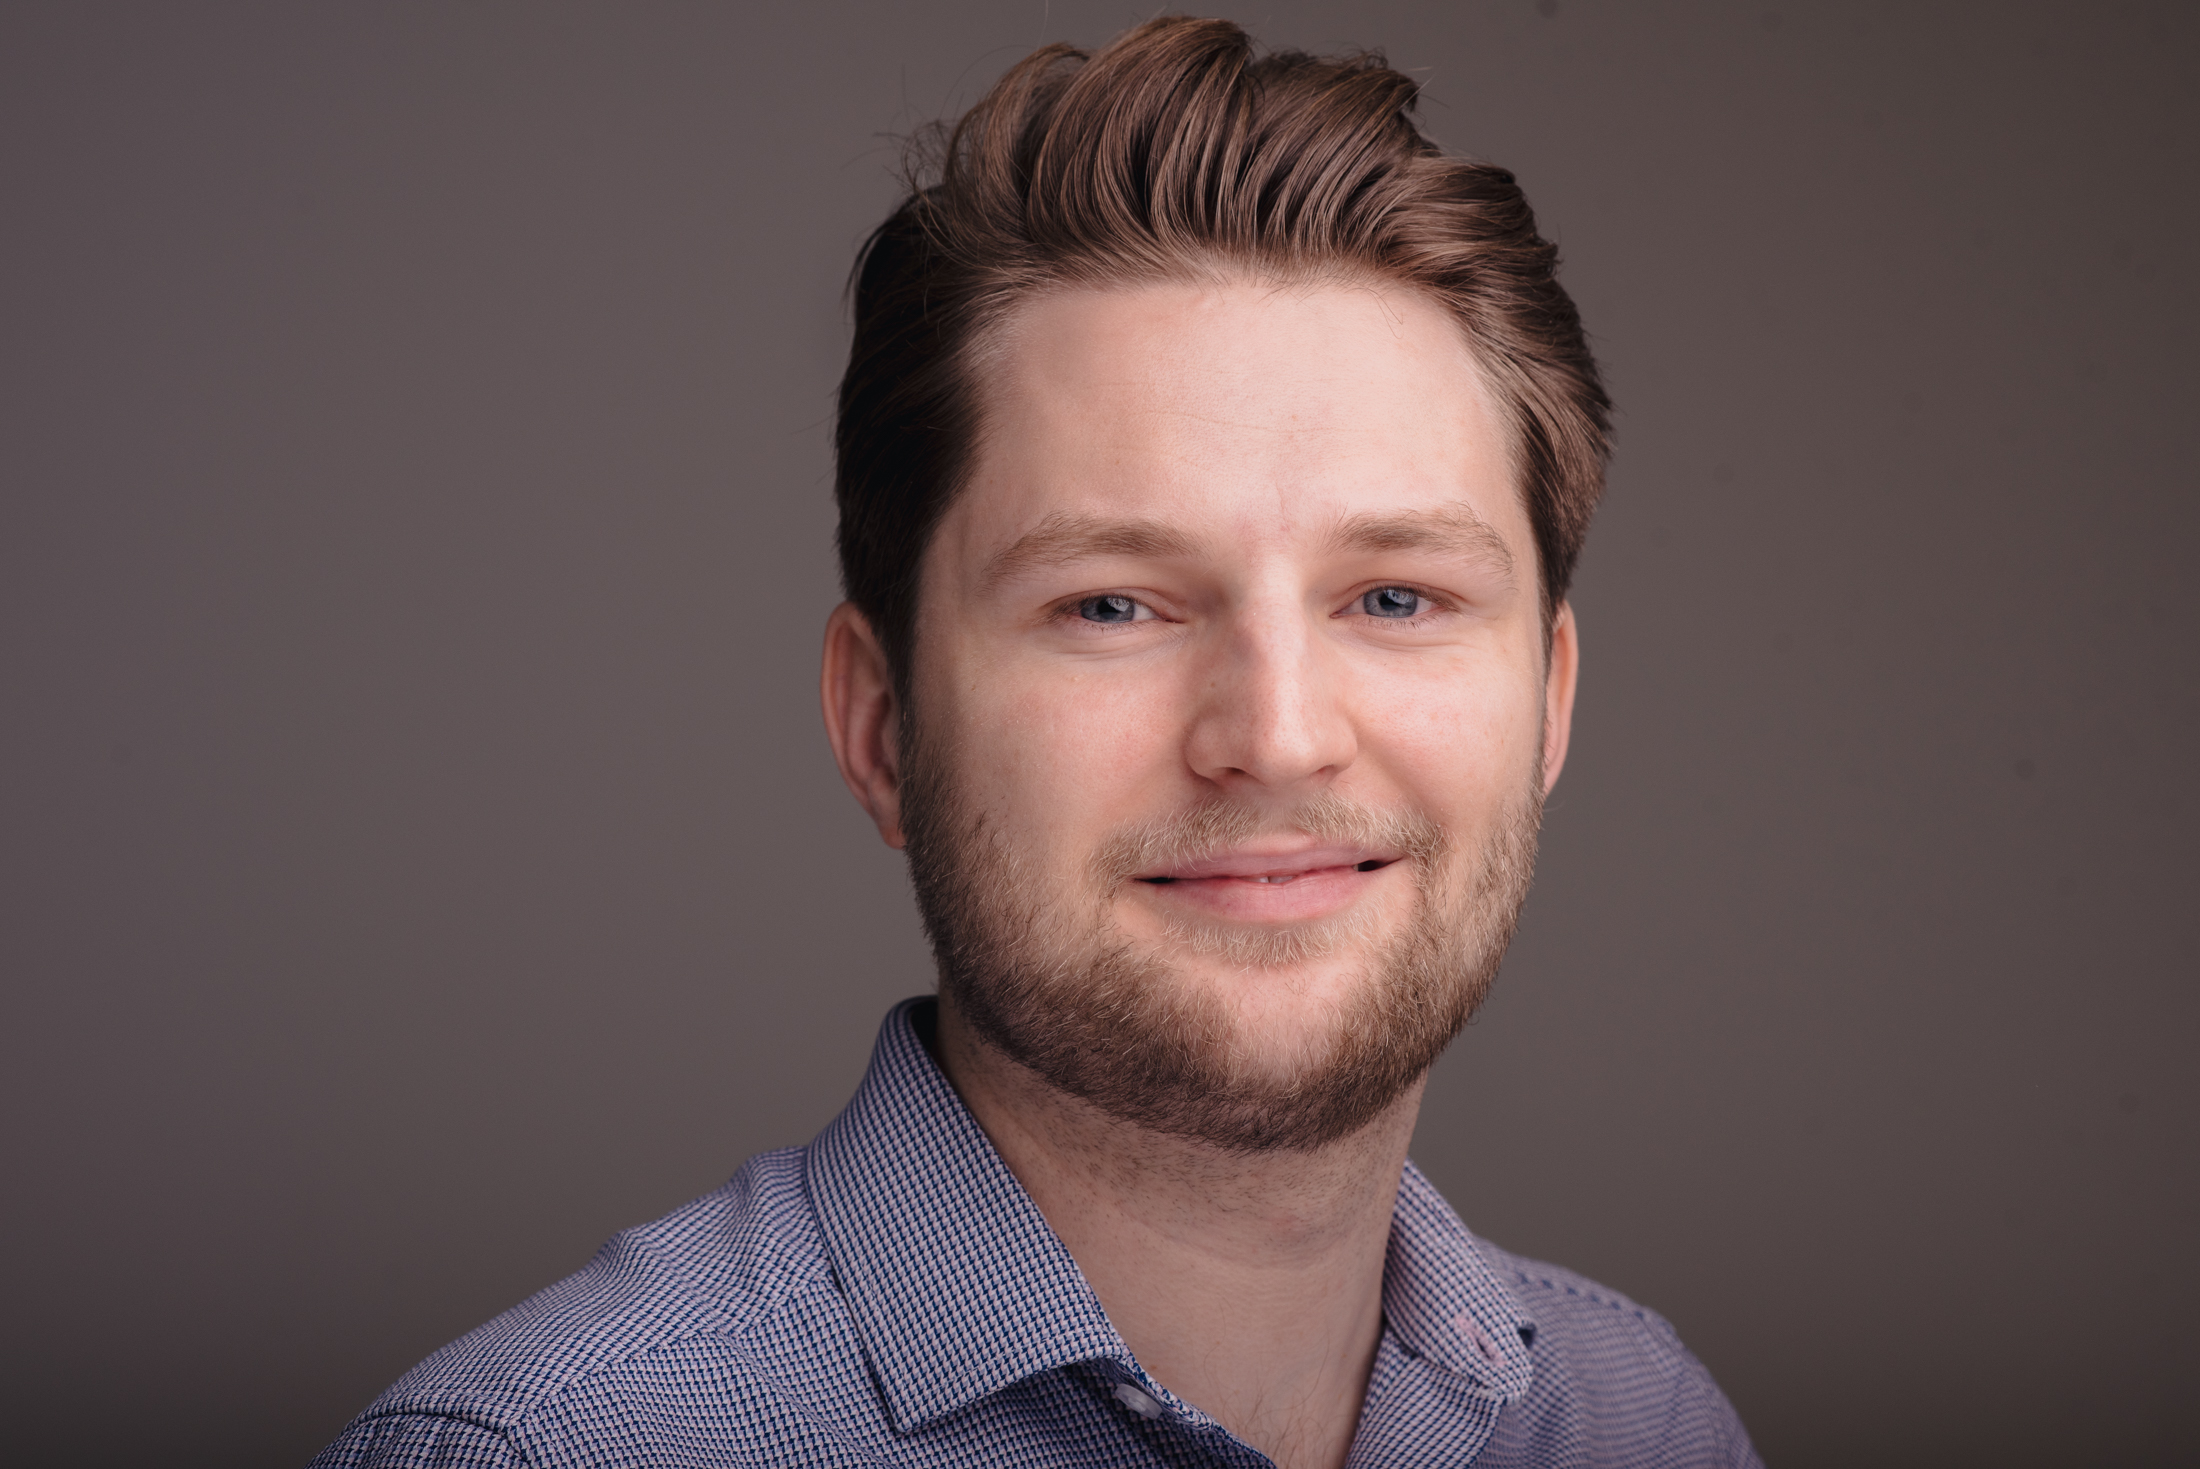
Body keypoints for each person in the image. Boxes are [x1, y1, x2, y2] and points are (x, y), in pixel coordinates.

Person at [314, 18, 1760, 1468]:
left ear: (1552, 703)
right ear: (882, 726)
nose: (1277, 735)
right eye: (1112, 603)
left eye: (1397, 595)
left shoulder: (1642, 1420)